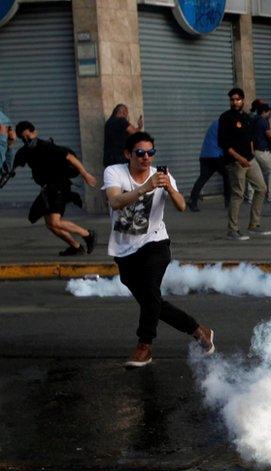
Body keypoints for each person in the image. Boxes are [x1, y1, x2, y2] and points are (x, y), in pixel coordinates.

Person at [102, 131, 215, 367]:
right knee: (151, 303)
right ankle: (198, 330)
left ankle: (144, 346)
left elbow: (182, 206)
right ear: (128, 154)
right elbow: (114, 201)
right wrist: (145, 188)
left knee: (151, 291)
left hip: (155, 243)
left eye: (150, 153)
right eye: (140, 153)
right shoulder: (115, 172)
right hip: (124, 250)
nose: (146, 158)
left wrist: (169, 188)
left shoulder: (161, 175)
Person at [11, 121, 99, 256]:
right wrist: (10, 141)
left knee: (54, 221)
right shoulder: (25, 152)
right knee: (50, 224)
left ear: (35, 132)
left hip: (60, 186)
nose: (27, 140)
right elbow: (13, 163)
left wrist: (85, 174)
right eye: (24, 139)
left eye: (29, 136)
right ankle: (75, 247)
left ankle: (87, 234)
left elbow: (70, 157)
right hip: (47, 190)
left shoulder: (46, 147)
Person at [218, 87, 269, 241]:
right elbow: (223, 143)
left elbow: (250, 138)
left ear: (243, 100)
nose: (235, 102)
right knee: (238, 194)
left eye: (237, 99)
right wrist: (239, 158)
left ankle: (254, 225)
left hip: (249, 159)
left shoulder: (247, 118)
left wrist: (251, 154)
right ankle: (232, 230)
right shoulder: (226, 118)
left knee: (261, 188)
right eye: (232, 100)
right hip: (235, 161)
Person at [187, 119, 231, 211]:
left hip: (205, 155)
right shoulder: (226, 125)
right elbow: (226, 142)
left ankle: (192, 200)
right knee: (227, 175)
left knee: (202, 178)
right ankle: (228, 201)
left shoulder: (215, 123)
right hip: (216, 155)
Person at [251, 103, 271, 202]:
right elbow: (270, 135)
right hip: (263, 151)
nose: (269, 115)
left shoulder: (253, 119)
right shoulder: (263, 121)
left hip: (253, 151)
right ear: (264, 112)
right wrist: (270, 123)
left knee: (255, 174)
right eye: (269, 113)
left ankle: (251, 197)